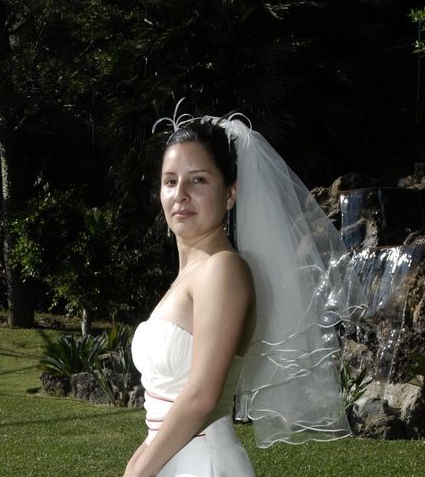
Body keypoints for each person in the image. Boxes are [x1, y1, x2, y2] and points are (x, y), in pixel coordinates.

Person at [126, 103, 361, 477]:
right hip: (167, 460)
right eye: (170, 181)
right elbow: (164, 409)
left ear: (230, 193)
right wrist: (140, 462)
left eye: (198, 179)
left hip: (203, 464)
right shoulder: (185, 280)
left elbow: (203, 397)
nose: (180, 194)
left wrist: (138, 472)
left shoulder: (224, 269)